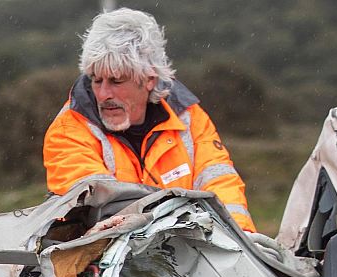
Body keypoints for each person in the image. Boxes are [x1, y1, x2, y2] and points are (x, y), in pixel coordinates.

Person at [42, 8, 256, 232]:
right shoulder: (68, 130)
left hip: (189, 251)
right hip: (106, 257)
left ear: (149, 80)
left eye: (116, 81)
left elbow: (223, 188)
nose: (103, 94)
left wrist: (241, 242)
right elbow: (106, 210)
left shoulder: (190, 118)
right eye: (96, 80)